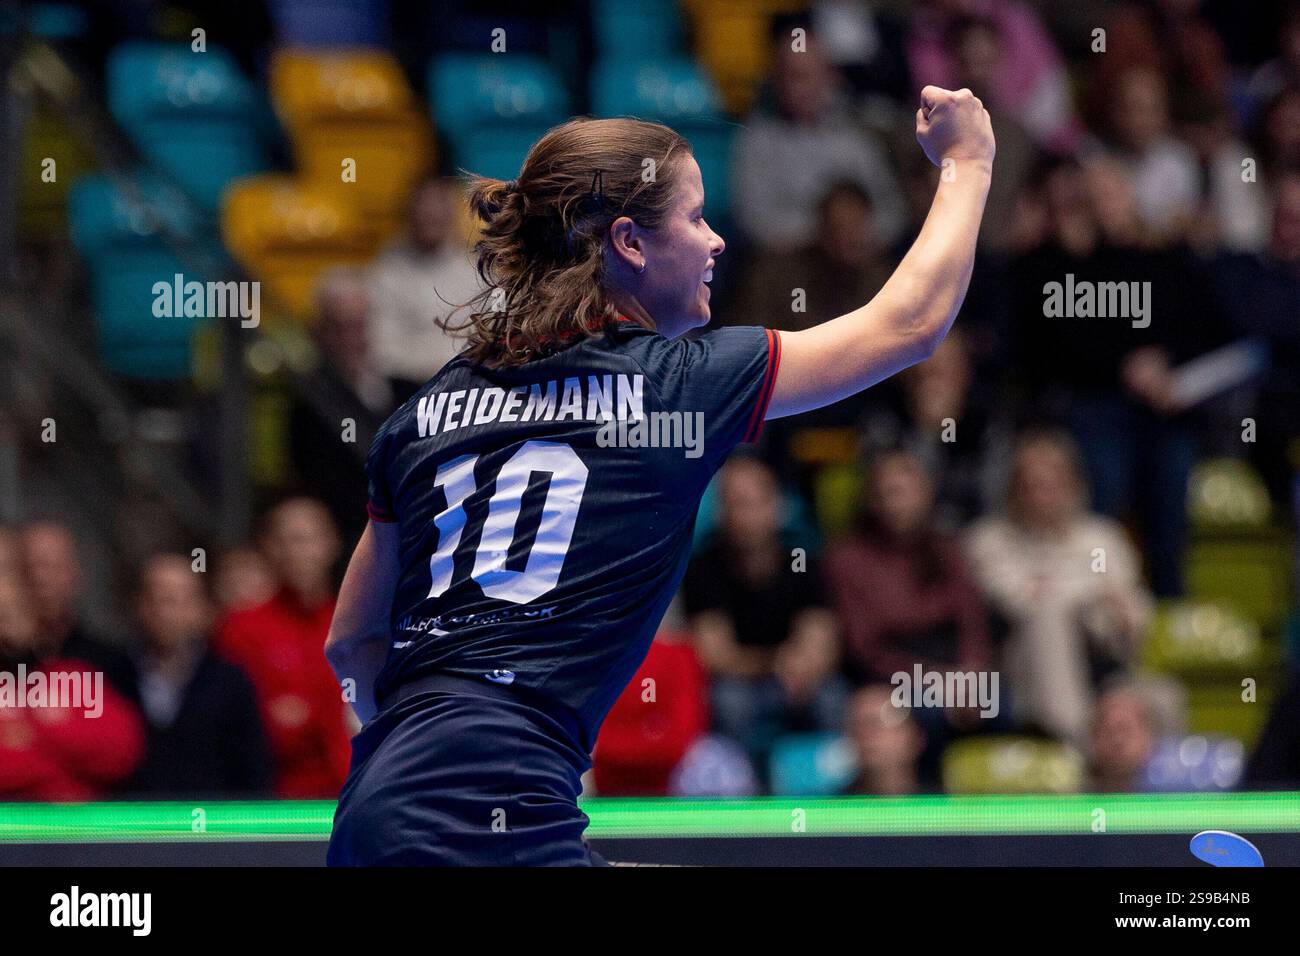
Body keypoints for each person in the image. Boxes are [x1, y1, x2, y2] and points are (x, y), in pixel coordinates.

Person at [325, 94, 995, 865]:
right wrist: (968, 162)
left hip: (378, 812)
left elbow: (353, 642)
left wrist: (407, 770)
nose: (715, 242)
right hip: (494, 808)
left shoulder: (425, 410)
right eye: (696, 218)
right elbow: (908, 324)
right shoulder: (676, 385)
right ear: (629, 242)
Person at [965, 430, 1151, 749]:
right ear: (1013, 490)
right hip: (1021, 668)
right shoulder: (989, 540)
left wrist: (1105, 603)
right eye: (1031, 486)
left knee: (1164, 697)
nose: (1042, 496)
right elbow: (1021, 603)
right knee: (1048, 617)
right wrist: (1093, 588)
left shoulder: (1102, 538)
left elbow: (1134, 612)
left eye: (1052, 485)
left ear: (1073, 487)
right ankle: (1079, 747)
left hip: (1105, 663)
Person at [682, 457, 843, 784]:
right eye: (734, 503)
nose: (744, 515)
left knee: (832, 697)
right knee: (729, 701)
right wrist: (775, 663)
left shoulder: (801, 561)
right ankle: (744, 800)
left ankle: (833, 796)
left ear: (777, 505)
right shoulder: (704, 567)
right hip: (739, 683)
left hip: (795, 681)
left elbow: (821, 644)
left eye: (753, 502)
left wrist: (801, 665)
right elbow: (714, 656)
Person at [215, 498, 352, 798]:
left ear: (331, 544)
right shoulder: (241, 629)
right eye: (286, 541)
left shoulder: (356, 624)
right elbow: (239, 730)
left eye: (308, 539)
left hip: (353, 795)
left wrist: (307, 714)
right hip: (273, 804)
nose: (298, 552)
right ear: (269, 549)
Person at [125, 555, 272, 797]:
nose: (165, 611)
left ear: (201, 609)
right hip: (131, 826)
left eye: (177, 600)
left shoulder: (231, 683)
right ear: (139, 605)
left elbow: (253, 771)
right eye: (156, 598)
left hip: (213, 827)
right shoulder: (112, 674)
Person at [368, 178, 482, 386]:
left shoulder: (478, 269)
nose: (431, 216)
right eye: (425, 210)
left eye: (438, 209)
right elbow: (383, 350)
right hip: (406, 388)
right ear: (410, 213)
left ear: (450, 213)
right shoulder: (386, 271)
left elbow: (488, 338)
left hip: (469, 384)